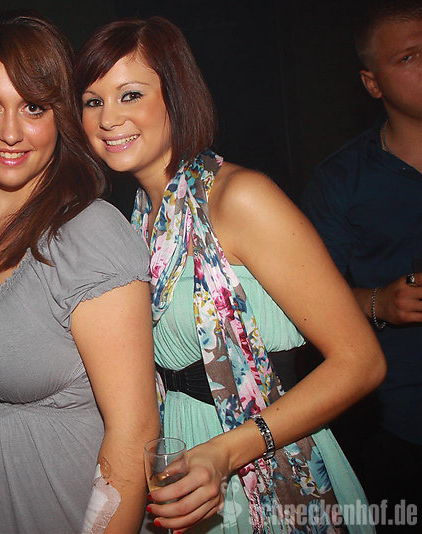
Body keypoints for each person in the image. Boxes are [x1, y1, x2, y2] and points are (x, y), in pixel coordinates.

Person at [75, 17, 386, 533]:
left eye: (130, 95)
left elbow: (361, 362)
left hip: (263, 464)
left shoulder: (238, 197)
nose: (108, 118)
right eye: (92, 101)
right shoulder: (135, 224)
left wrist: (225, 453)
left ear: (175, 97)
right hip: (183, 470)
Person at [0, 11, 159, 534]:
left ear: (60, 116)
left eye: (33, 107)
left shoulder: (87, 234)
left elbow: (134, 434)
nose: (10, 132)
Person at [302, 1, 422, 526]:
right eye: (409, 57)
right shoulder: (340, 182)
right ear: (373, 83)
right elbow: (303, 307)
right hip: (401, 425)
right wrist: (380, 302)